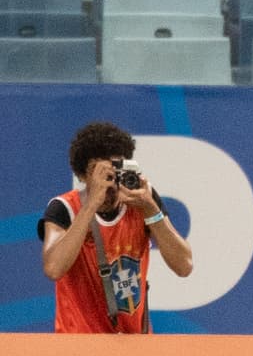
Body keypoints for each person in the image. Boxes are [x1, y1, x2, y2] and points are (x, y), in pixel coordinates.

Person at [38, 121, 193, 333]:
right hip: (78, 344)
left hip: (133, 343)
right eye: (99, 172)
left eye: (114, 170)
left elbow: (184, 266)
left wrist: (150, 209)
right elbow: (53, 268)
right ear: (83, 176)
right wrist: (91, 204)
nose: (108, 181)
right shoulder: (64, 208)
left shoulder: (142, 203)